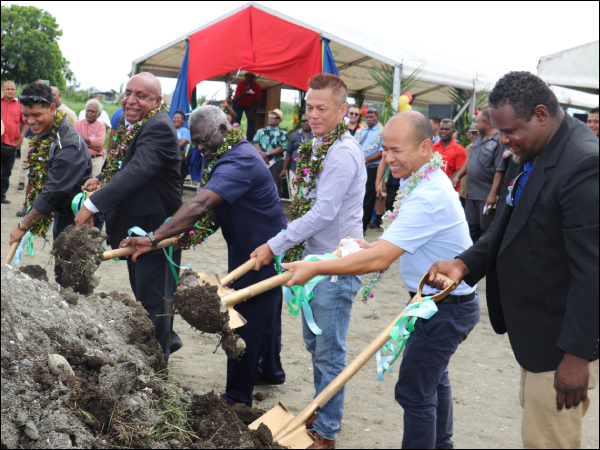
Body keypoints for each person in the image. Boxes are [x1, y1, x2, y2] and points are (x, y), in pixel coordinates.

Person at [282, 110, 480, 450]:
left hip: (445, 308)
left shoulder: (429, 192)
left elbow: (380, 260)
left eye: (396, 150)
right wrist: (372, 244)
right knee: (434, 382)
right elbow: (393, 246)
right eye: (384, 149)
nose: (387, 158)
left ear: (425, 147)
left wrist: (314, 268)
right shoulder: (418, 179)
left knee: (414, 392)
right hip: (432, 302)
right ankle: (442, 444)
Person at [427, 71, 599, 450]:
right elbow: (507, 224)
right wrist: (464, 264)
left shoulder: (584, 164)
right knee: (537, 432)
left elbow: (593, 272)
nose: (503, 141)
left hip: (563, 342)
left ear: (540, 114)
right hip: (538, 332)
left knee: (547, 441)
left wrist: (576, 356)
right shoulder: (536, 148)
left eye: (510, 131)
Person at [120, 105, 288, 406]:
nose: (199, 148)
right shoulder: (230, 153)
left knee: (245, 318)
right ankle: (270, 371)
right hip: (251, 243)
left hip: (261, 250)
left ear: (224, 130)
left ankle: (237, 396)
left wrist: (153, 236)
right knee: (268, 311)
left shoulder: (239, 161)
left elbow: (200, 205)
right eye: (194, 142)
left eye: (203, 141)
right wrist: (164, 238)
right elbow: (210, 216)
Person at [251, 73, 367, 449]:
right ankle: (322, 408)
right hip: (314, 262)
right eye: (308, 108)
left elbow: (323, 213)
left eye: (322, 108)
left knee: (330, 352)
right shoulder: (316, 146)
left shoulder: (342, 152)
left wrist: (274, 244)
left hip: (335, 267)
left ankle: (327, 433)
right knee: (317, 346)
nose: (313, 115)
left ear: (343, 111)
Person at [73, 73, 183, 362]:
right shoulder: (125, 120)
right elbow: (120, 159)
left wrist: (92, 205)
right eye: (128, 93)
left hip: (155, 229)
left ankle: (158, 368)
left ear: (158, 101)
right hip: (134, 223)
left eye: (142, 96)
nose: (131, 101)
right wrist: (100, 179)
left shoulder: (158, 127)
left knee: (153, 301)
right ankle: (169, 338)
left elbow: (138, 171)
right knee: (145, 292)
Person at [8, 82, 92, 279]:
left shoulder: (67, 144)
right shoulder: (48, 133)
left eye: (36, 115)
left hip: (78, 215)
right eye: (26, 115)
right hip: (63, 210)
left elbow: (53, 192)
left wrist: (22, 227)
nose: (30, 121)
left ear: (52, 109)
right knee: (62, 266)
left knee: (69, 273)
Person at [464, 108, 507, 243]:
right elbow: (470, 160)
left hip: (486, 195)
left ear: (485, 122)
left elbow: (500, 170)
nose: (475, 125)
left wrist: (492, 194)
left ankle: (485, 261)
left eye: (477, 122)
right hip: (471, 194)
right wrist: (457, 176)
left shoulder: (499, 141)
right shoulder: (478, 138)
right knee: (471, 227)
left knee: (486, 229)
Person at [356, 108, 384, 231]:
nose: (369, 119)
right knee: (357, 196)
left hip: (372, 168)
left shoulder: (382, 132)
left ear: (377, 118)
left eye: (372, 117)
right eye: (367, 117)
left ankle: (362, 227)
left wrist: (366, 160)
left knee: (368, 197)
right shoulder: (360, 131)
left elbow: (381, 152)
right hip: (358, 168)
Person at [1, 81, 28, 205]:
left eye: (12, 89)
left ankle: (2, 195)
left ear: (15, 90)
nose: (10, 91)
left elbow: (26, 122)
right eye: (8, 89)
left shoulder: (19, 106)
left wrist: (22, 135)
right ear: (3, 89)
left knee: (6, 171)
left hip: (11, 145)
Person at [252, 108, 288, 197]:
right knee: (259, 183)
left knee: (275, 185)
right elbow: (255, 142)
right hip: (261, 161)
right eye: (269, 116)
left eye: (273, 117)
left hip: (276, 162)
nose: (270, 118)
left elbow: (282, 148)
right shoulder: (261, 131)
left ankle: (276, 205)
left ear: (279, 120)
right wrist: (262, 155)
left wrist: (267, 154)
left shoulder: (283, 133)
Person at [280, 113, 313, 197]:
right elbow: (288, 153)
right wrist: (284, 169)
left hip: (309, 172)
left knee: (307, 196)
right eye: (303, 121)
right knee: (295, 196)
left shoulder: (316, 136)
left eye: (307, 121)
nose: (305, 123)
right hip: (294, 171)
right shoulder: (295, 136)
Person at [74, 99, 106, 178]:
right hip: (81, 160)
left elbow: (100, 141)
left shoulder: (101, 126)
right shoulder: (77, 124)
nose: (89, 113)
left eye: (93, 112)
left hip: (96, 159)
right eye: (88, 111)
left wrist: (83, 139)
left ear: (98, 114)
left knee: (96, 185)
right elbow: (75, 141)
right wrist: (93, 146)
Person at [433, 119, 467, 193]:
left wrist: (445, 184)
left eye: (447, 129)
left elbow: (459, 171)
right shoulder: (432, 148)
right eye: (441, 129)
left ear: (453, 131)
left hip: (450, 190)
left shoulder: (460, 150)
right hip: (433, 188)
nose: (443, 131)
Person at [454, 122, 478, 208]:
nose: (473, 136)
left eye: (476, 133)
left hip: (477, 192)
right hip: (464, 190)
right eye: (472, 133)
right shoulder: (468, 147)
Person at [232, 72, 262, 140]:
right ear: (244, 80)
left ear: (253, 81)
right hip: (238, 104)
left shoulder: (257, 87)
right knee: (236, 120)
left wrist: (252, 111)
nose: (248, 83)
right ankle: (235, 138)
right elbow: (236, 99)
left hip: (250, 105)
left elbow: (257, 99)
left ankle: (249, 140)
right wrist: (243, 93)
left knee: (251, 120)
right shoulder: (240, 84)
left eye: (250, 82)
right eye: (247, 81)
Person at [172, 110, 191, 184]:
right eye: (174, 117)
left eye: (178, 118)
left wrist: (167, 147)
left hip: (179, 157)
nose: (176, 119)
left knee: (178, 182)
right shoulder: (169, 129)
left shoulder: (185, 131)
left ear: (183, 120)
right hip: (168, 157)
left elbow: (182, 144)